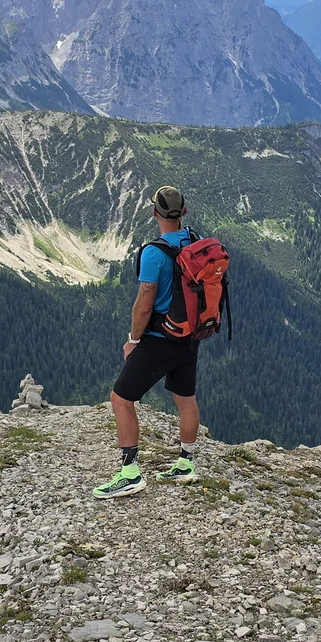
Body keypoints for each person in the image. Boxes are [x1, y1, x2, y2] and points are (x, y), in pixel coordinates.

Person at [93, 185, 203, 498]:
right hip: (191, 335)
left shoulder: (154, 252)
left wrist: (133, 340)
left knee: (120, 398)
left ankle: (129, 473)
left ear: (155, 212)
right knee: (185, 397)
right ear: (184, 212)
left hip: (160, 338)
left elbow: (144, 302)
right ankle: (185, 464)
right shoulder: (194, 240)